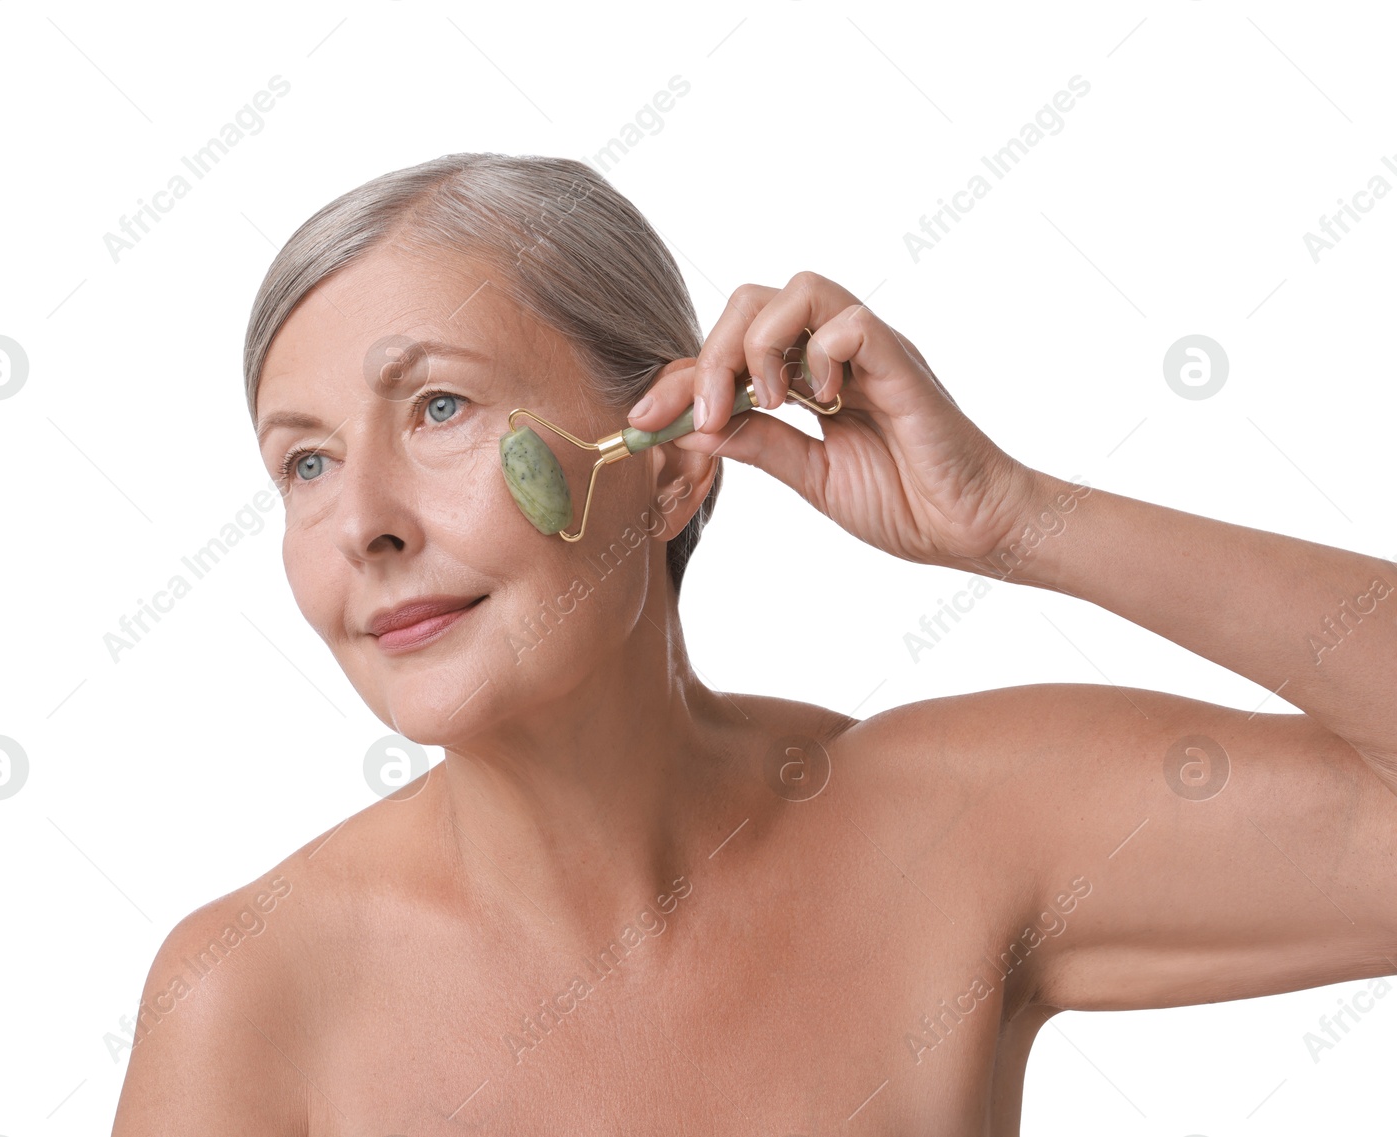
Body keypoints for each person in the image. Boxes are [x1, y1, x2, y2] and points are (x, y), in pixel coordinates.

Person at [109, 152, 1397, 1136]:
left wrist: (1016, 520)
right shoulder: (249, 995)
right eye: (307, 463)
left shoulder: (956, 831)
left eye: (439, 407)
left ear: (670, 467)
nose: (363, 527)